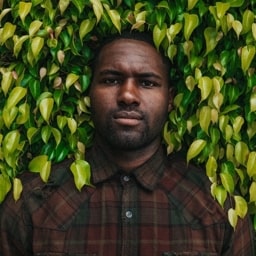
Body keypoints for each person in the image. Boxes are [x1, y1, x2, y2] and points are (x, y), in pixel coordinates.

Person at [0, 31, 255, 256]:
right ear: (89, 93)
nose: (128, 96)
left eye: (147, 83)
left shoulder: (218, 208)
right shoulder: (30, 202)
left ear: (170, 99)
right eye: (111, 80)